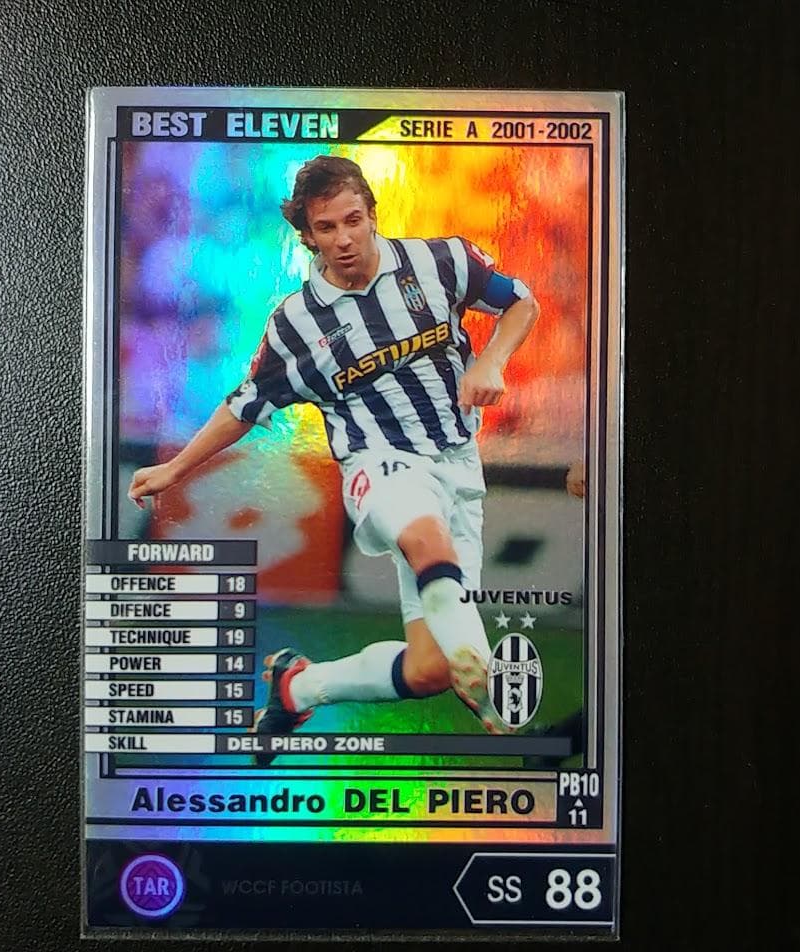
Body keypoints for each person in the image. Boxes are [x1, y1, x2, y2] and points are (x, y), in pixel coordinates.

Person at [128, 155, 540, 761]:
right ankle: (491, 699)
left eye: (353, 220)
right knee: (425, 539)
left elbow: (521, 302)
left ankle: (297, 688)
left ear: (372, 214)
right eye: (326, 227)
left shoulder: (441, 261)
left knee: (429, 670)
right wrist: (174, 468)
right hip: (378, 463)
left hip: (457, 465)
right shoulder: (295, 326)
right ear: (308, 237)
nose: (344, 238)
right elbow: (244, 404)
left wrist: (491, 362)